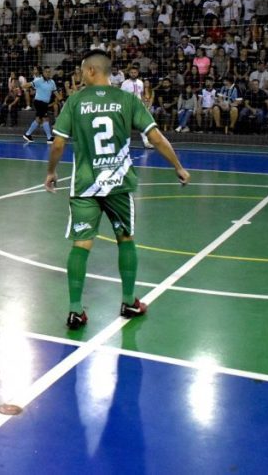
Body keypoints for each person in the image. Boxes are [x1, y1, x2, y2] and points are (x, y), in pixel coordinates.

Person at [45, 50, 190, 330]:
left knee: (81, 245)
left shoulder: (74, 102)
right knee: (126, 239)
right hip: (118, 184)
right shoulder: (127, 100)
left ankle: (75, 311)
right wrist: (178, 166)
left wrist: (51, 172)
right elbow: (156, 137)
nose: (78, 76)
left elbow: (58, 144)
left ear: (90, 71)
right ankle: (128, 302)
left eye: (80, 71)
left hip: (86, 185)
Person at [22, 65, 57, 142]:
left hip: (45, 103)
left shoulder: (52, 82)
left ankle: (27, 134)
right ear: (43, 73)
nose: (48, 73)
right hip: (38, 102)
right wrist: (22, 86)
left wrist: (61, 99)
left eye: (49, 72)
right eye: (46, 72)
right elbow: (28, 84)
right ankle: (49, 138)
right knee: (45, 118)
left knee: (38, 119)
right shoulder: (39, 80)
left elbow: (55, 92)